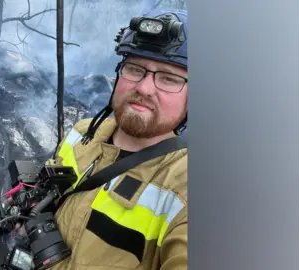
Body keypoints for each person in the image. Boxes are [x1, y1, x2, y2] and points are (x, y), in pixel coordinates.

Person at [18, 8, 188, 270]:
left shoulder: (184, 187)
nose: (144, 88)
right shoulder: (83, 132)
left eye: (169, 78)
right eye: (135, 69)